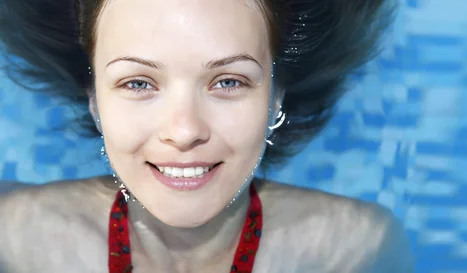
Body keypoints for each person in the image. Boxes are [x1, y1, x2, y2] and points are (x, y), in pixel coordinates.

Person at [0, 0, 411, 272]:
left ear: (275, 97)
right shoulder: (14, 238)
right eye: (139, 83)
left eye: (228, 82)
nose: (184, 132)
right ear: (95, 102)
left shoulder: (357, 251)